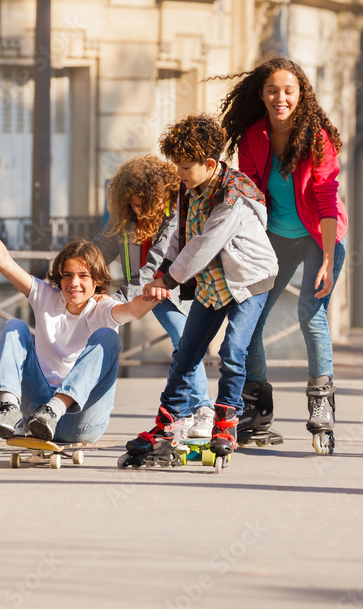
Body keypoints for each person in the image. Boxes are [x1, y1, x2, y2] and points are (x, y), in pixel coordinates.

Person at [120, 114, 278, 471]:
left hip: (248, 281)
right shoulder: (187, 190)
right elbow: (182, 237)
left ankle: (225, 422)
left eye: (185, 166)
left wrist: (169, 281)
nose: (179, 172)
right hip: (213, 281)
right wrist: (163, 272)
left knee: (233, 350)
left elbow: (205, 245)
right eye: (176, 164)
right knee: (186, 352)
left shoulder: (233, 194)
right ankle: (167, 422)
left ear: (210, 164)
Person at [0, 184, 163, 444]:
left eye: (83, 276)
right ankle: (7, 407)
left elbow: (133, 310)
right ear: (60, 278)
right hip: (37, 415)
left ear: (97, 281)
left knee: (108, 337)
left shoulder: (103, 308)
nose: (74, 283)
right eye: (68, 275)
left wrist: (156, 292)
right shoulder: (45, 297)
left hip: (81, 420)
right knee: (14, 326)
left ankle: (56, 407)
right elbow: (3, 261)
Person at [219, 56, 349, 455]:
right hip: (273, 236)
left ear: (301, 94)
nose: (280, 98)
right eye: (273, 90)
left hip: (319, 237)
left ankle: (321, 404)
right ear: (261, 93)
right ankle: (256, 411)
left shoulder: (316, 138)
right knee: (251, 318)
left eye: (289, 91)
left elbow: (326, 198)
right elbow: (252, 195)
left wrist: (327, 259)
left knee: (310, 313)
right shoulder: (253, 136)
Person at [93, 155, 214, 438]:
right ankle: (186, 411)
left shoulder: (176, 211)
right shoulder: (125, 214)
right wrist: (76, 268)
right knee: (184, 342)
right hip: (147, 289)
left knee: (185, 340)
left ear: (160, 196)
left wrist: (119, 298)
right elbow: (102, 249)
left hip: (174, 285)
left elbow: (156, 264)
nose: (140, 211)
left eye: (145, 204)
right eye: (134, 204)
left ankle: (203, 410)